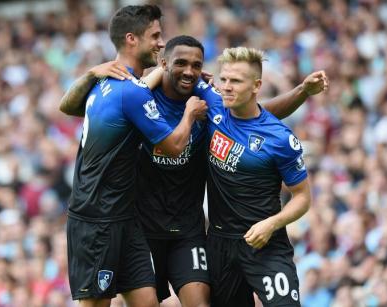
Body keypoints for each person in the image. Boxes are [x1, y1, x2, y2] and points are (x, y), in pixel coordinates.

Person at [62, 34, 327, 306]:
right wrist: (97, 75)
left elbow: (258, 116)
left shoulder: (221, 109)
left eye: (196, 65)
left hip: (211, 235)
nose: (189, 71)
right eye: (224, 80)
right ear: (164, 63)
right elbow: (70, 107)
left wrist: (302, 91)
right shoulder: (145, 99)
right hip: (158, 230)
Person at [59, 6, 207, 307]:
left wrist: (90, 73)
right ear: (131, 39)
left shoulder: (105, 83)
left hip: (125, 217)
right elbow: (174, 145)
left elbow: (67, 106)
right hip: (96, 218)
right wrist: (190, 114)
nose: (160, 42)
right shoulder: (131, 92)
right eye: (154, 36)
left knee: (147, 302)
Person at [193, 47, 312, 306]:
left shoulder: (280, 138)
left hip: (265, 243)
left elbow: (303, 197)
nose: (227, 87)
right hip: (220, 243)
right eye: (223, 79)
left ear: (256, 85)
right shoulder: (214, 104)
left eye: (236, 81)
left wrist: (272, 224)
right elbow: (173, 71)